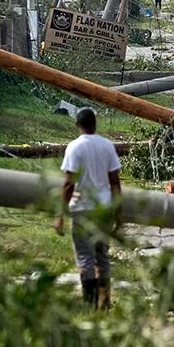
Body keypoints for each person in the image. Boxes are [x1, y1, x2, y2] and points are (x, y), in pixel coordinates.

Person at [55, 108, 122, 310]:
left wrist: (60, 214)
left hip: (83, 209)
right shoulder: (107, 146)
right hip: (104, 209)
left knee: (85, 257)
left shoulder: (74, 147)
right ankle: (105, 301)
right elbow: (115, 182)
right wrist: (119, 213)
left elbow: (69, 184)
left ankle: (90, 304)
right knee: (102, 256)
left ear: (78, 125)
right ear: (95, 124)